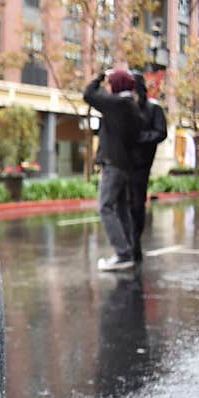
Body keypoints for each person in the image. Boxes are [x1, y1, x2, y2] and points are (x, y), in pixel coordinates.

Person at [83, 69, 143, 272]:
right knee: (121, 209)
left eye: (111, 84)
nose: (107, 87)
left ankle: (122, 254)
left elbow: (88, 95)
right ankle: (128, 252)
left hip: (114, 164)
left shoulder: (118, 104)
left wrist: (100, 76)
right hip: (125, 165)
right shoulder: (131, 106)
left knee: (105, 207)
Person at [128, 71, 168, 262]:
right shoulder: (125, 106)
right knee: (123, 205)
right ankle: (127, 243)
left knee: (136, 204)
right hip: (122, 162)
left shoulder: (154, 108)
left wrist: (141, 139)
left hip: (141, 164)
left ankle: (134, 242)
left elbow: (161, 133)